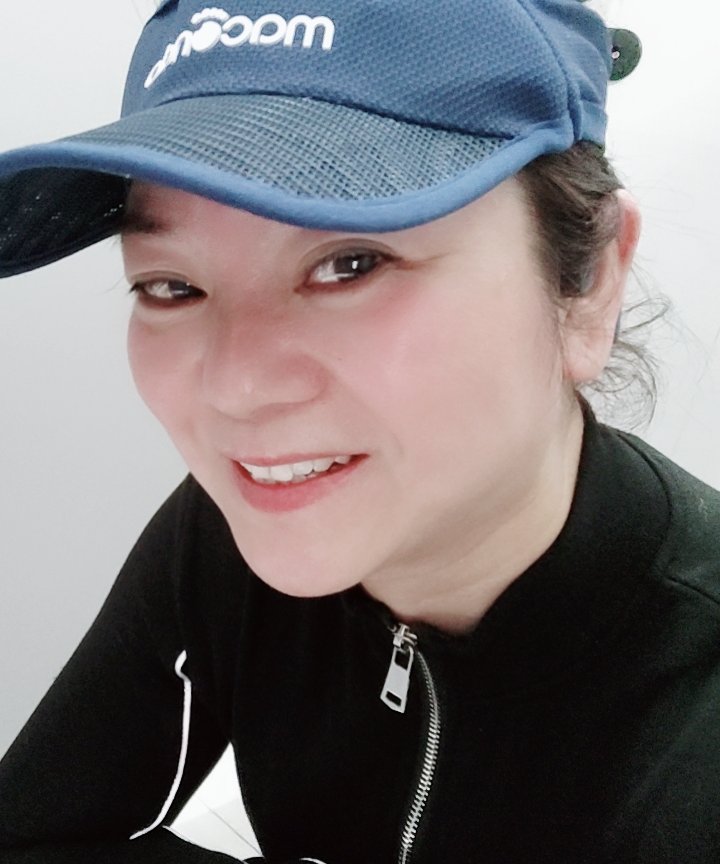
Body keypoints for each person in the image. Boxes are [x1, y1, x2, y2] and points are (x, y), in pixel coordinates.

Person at [0, 2, 718, 863]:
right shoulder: (233, 528)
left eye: (351, 264)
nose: (236, 389)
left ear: (589, 282)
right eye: (170, 286)